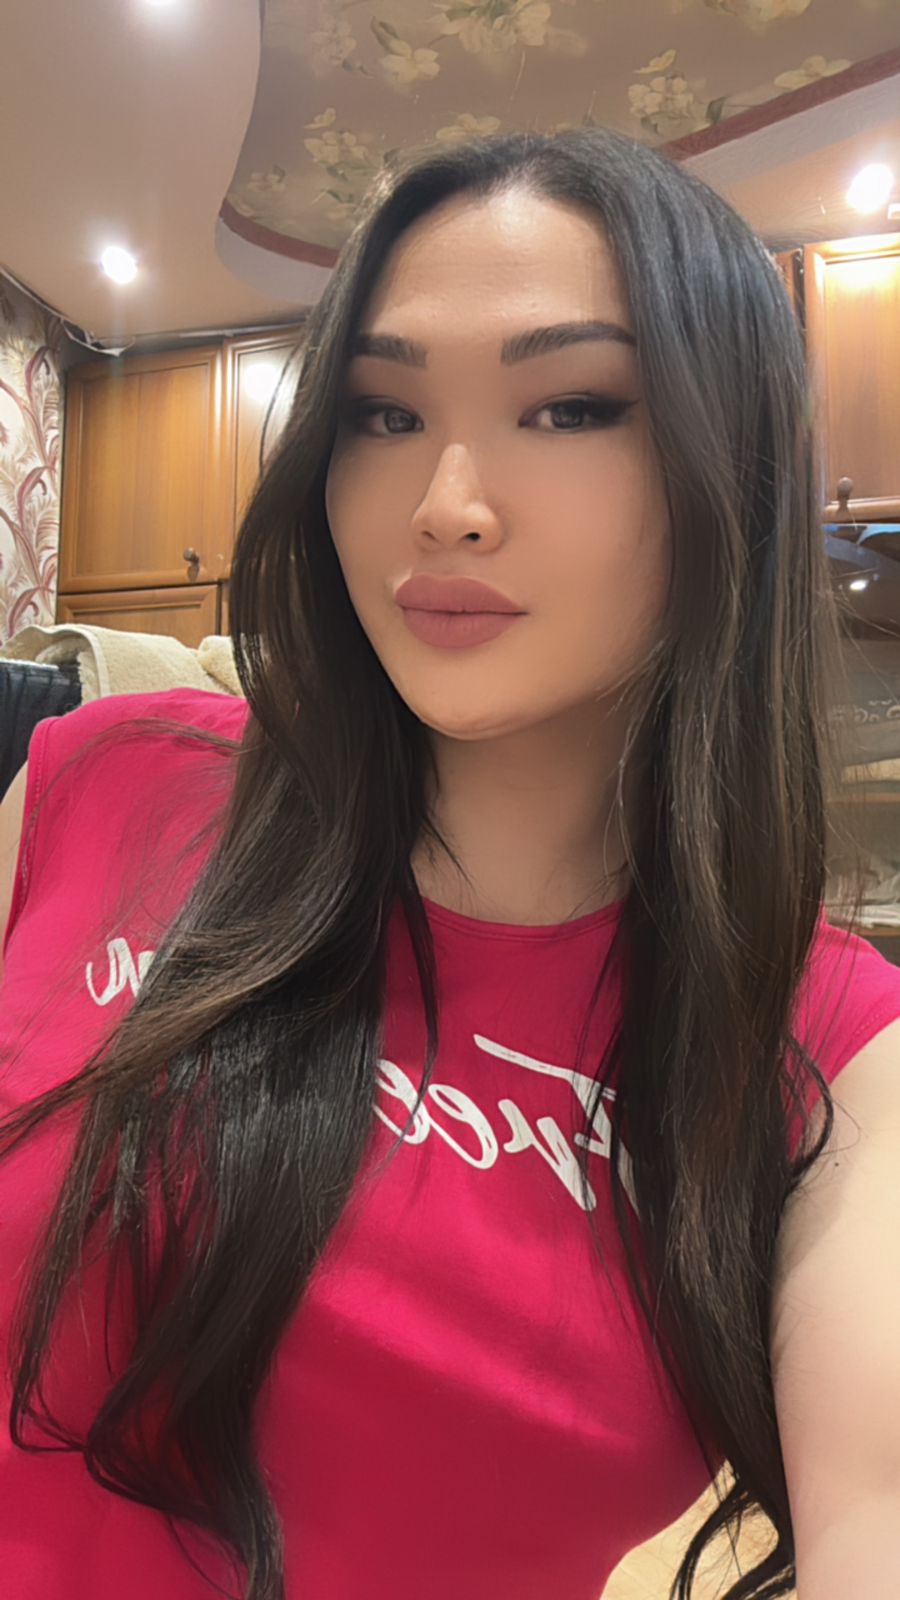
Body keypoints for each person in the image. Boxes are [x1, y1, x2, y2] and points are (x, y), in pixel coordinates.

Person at [1, 128, 899, 1600]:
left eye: (572, 407)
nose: (445, 503)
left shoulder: (830, 1052)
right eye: (383, 413)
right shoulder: (106, 781)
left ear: (726, 468)